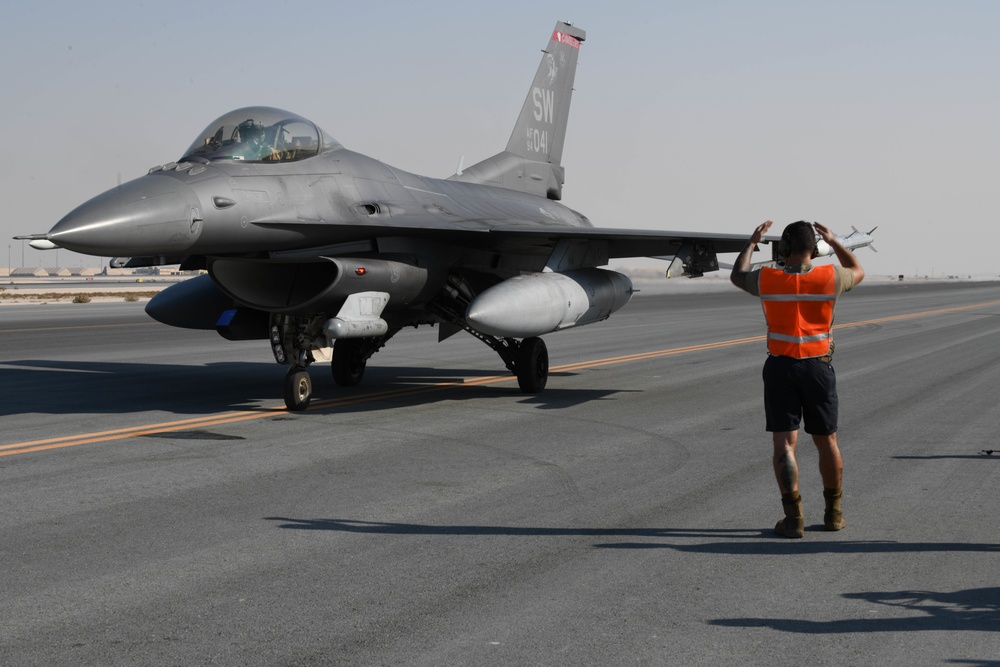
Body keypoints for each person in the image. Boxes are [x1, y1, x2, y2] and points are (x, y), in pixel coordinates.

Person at [730, 220, 865, 538]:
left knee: (784, 444)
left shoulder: (768, 278)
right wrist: (833, 241)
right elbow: (857, 268)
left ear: (786, 248)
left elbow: (737, 275)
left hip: (781, 369)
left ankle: (794, 519)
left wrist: (751, 243)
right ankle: (833, 514)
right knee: (827, 441)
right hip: (818, 370)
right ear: (814, 249)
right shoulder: (830, 276)